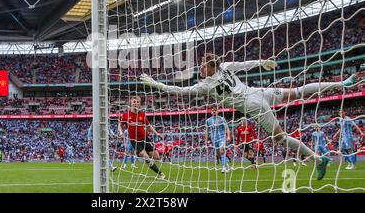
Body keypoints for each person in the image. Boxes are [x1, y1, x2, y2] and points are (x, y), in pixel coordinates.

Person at [140, 54, 359, 180]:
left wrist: (156, 84)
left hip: (253, 105)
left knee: (280, 138)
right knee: (298, 91)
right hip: (258, 91)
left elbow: (179, 91)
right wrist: (263, 62)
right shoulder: (225, 67)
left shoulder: (205, 86)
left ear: (210, 66)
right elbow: (245, 64)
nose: (200, 68)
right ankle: (343, 83)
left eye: (203, 65)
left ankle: (318, 160)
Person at [118, 96, 166, 179]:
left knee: (157, 157)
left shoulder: (142, 115)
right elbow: (120, 125)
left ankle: (141, 155)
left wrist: (157, 133)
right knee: (146, 157)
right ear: (131, 104)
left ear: (140, 104)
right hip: (135, 141)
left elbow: (149, 127)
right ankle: (160, 173)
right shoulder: (126, 115)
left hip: (145, 138)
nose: (135, 103)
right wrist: (121, 132)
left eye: (137, 102)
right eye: (134, 102)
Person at [205, 107, 231, 173]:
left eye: (215, 110)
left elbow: (227, 128)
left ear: (217, 111)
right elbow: (207, 131)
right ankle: (225, 164)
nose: (214, 111)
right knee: (219, 154)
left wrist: (228, 136)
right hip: (214, 139)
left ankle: (224, 168)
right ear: (211, 112)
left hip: (222, 137)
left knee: (222, 150)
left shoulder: (222, 119)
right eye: (212, 110)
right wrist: (206, 140)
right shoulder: (208, 121)